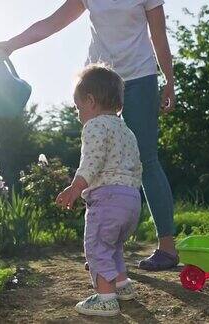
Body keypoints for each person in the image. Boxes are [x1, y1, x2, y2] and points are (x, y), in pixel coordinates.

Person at [0, 0, 178, 270]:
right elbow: (52, 23)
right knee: (98, 161)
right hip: (100, 82)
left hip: (140, 77)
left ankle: (167, 249)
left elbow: (158, 34)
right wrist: (9, 45)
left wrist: (169, 81)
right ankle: (105, 249)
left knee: (145, 159)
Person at [56, 64, 142, 316]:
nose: (78, 113)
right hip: (132, 200)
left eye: (78, 107)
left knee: (96, 247)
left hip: (108, 199)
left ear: (91, 101)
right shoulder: (126, 131)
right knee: (113, 245)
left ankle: (106, 298)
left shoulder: (94, 126)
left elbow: (91, 162)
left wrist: (75, 188)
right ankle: (123, 286)